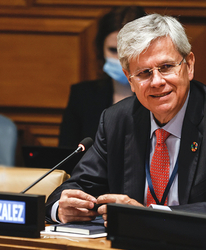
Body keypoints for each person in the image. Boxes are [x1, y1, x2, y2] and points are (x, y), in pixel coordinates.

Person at [46, 13, 206, 236]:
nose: (156, 81)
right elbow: (74, 188)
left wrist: (151, 216)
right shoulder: (117, 120)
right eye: (144, 73)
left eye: (166, 67)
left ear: (189, 65)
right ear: (130, 80)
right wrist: (61, 208)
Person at [58, 6, 145, 148]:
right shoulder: (82, 96)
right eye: (113, 50)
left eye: (128, 51)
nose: (121, 60)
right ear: (101, 50)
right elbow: (66, 156)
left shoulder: (160, 95)